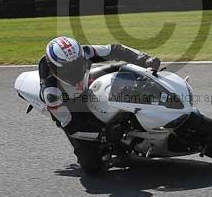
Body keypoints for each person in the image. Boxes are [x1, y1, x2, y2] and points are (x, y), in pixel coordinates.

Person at [39, 36, 160, 172]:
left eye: (78, 66)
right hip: (71, 108)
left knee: (130, 70)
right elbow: (71, 125)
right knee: (92, 167)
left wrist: (144, 59)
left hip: (88, 83)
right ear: (54, 69)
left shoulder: (85, 53)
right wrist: (105, 132)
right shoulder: (52, 94)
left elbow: (115, 50)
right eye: (69, 70)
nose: (75, 73)